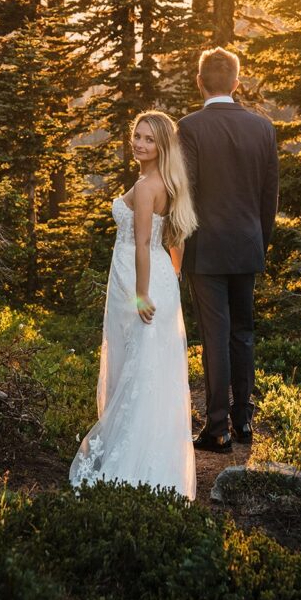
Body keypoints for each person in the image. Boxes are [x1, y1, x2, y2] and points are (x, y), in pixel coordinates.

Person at [69, 110, 198, 500]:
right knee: (150, 367)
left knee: (140, 367)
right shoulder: (169, 181)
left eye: (148, 139)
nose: (139, 144)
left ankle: (136, 464)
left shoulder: (146, 187)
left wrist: (143, 293)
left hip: (138, 279)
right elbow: (175, 239)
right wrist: (170, 276)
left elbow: (142, 242)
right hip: (154, 274)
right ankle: (155, 460)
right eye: (137, 136)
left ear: (162, 145)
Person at [178, 47, 279, 454]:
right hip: (247, 244)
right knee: (244, 332)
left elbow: (187, 192)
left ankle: (217, 427)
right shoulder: (263, 128)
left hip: (206, 249)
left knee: (215, 335)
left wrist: (179, 250)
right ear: (237, 83)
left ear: (200, 82)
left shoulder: (190, 127)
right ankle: (244, 421)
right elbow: (268, 196)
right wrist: (260, 240)